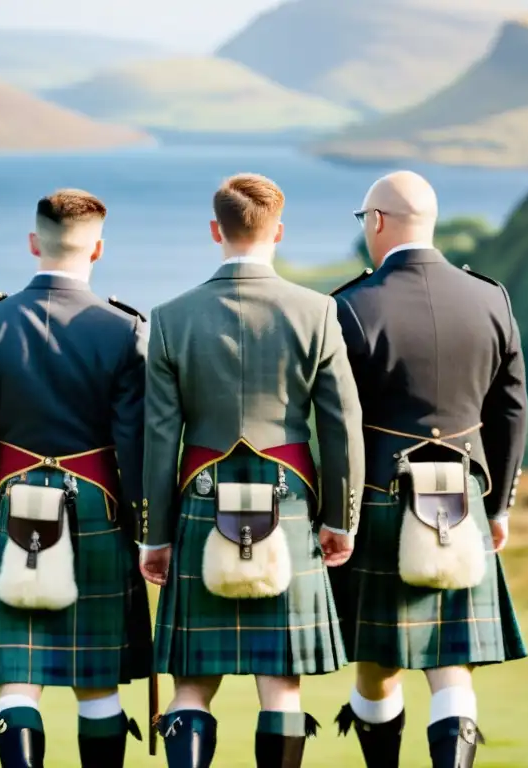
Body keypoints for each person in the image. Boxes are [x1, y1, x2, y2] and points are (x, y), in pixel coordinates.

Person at [139, 173, 366, 768]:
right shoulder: (318, 312)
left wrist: (156, 536)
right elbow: (342, 423)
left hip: (200, 506)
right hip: (288, 506)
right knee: (282, 682)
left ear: (216, 230)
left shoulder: (169, 318)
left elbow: (160, 437)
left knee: (191, 683)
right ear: (279, 231)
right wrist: (342, 518)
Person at [328, 171, 528, 768]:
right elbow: (512, 407)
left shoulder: (351, 306)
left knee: (376, 667)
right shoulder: (490, 298)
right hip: (462, 501)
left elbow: (333, 424)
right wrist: (500, 506)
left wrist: (335, 516)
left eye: (365, 221)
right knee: (452, 672)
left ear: (379, 222)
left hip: (380, 504)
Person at [0, 189, 151, 768]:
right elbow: (135, 447)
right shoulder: (123, 329)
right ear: (99, 249)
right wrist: (145, 534)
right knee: (98, 682)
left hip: (11, 515)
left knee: (17, 680)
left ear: (35, 243)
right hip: (97, 516)